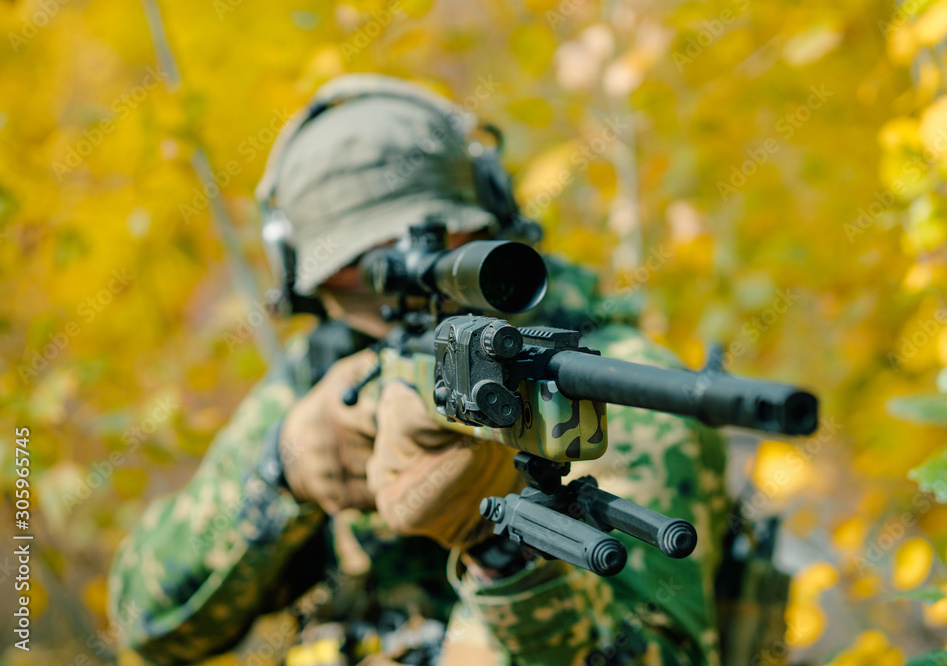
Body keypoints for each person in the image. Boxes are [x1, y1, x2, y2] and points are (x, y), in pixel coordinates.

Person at [107, 74, 731, 666]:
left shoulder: (602, 383)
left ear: (486, 218)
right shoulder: (321, 379)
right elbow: (147, 623)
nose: (393, 274)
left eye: (434, 236)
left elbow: (660, 653)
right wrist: (280, 474)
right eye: (358, 260)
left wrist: (502, 555)